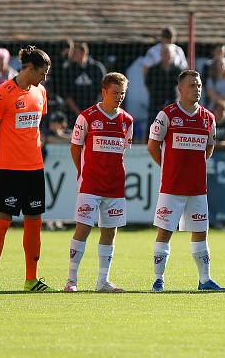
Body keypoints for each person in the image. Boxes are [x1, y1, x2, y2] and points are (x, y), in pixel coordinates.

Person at [147, 70, 225, 292]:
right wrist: (169, 166)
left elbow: (208, 148)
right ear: (180, 89)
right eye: (192, 85)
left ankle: (205, 280)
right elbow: (153, 146)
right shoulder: (167, 115)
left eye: (199, 84)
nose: (197, 88)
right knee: (164, 231)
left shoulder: (208, 118)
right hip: (172, 187)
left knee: (200, 232)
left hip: (197, 188)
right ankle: (158, 280)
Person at [0, 46, 53, 292]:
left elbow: (36, 128)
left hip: (35, 168)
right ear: (30, 69)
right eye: (42, 73)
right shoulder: (2, 94)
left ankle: (31, 280)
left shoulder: (41, 92)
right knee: (3, 221)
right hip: (8, 169)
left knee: (35, 223)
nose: (44, 78)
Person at [64, 72, 133, 293]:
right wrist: (83, 171)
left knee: (109, 232)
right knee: (83, 229)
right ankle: (71, 280)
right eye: (115, 93)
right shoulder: (87, 116)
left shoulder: (127, 121)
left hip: (115, 186)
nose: (119, 97)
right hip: (91, 184)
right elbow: (75, 148)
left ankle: (103, 281)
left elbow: (122, 151)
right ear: (104, 91)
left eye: (122, 93)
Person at [62, 42, 107, 117]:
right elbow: (67, 94)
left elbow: (103, 91)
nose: (72, 54)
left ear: (83, 52)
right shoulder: (69, 69)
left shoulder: (97, 68)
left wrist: (94, 110)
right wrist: (78, 112)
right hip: (74, 114)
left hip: (95, 112)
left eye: (75, 52)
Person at [145, 44, 183, 121]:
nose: (167, 55)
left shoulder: (178, 71)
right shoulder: (153, 70)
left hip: (173, 103)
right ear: (161, 54)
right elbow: (148, 84)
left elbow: (182, 87)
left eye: (169, 53)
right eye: (165, 52)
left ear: (173, 55)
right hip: (156, 103)